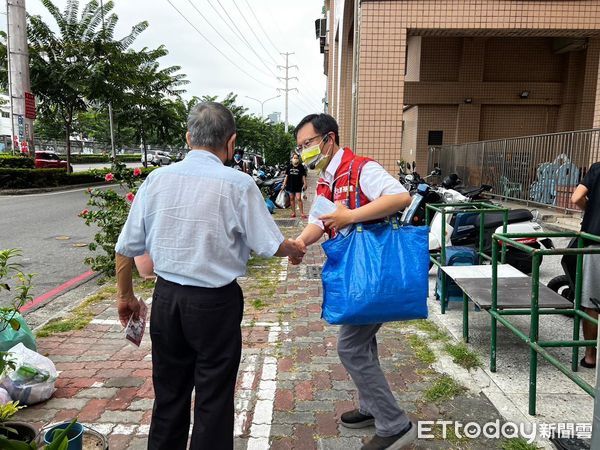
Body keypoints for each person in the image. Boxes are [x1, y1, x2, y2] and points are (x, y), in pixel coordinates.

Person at [114, 102, 305, 450]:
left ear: (189, 138)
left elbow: (125, 247)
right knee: (213, 397)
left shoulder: (156, 180)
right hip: (216, 303)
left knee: (169, 394)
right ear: (231, 142)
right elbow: (268, 244)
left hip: (167, 299)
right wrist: (292, 247)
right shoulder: (239, 184)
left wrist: (125, 297)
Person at [289, 113, 415, 450]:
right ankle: (371, 407)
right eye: (300, 147)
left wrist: (351, 216)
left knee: (351, 346)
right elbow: (319, 219)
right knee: (364, 341)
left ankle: (395, 424)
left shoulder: (361, 168)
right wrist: (301, 243)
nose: (303, 152)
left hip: (374, 272)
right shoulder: (327, 178)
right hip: (356, 271)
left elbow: (400, 197)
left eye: (308, 144)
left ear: (328, 139)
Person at [571, 161, 600, 369]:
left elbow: (576, 197)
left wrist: (592, 210)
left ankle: (591, 355)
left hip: (595, 241)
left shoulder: (598, 168)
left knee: (591, 301)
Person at [282, 153, 308, 219]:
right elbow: (286, 176)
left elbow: (303, 176)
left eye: (296, 158)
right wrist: (284, 184)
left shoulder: (301, 167)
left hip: (298, 185)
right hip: (290, 184)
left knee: (299, 198)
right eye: (294, 158)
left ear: (298, 159)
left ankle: (302, 213)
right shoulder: (289, 166)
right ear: (292, 159)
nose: (295, 159)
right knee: (291, 198)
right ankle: (293, 212)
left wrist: (305, 183)